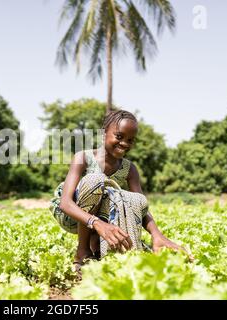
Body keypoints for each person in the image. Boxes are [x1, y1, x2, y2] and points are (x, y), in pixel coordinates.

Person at [49, 110, 192, 278]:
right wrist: (97, 223)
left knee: (135, 199)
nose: (124, 143)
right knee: (95, 180)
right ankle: (82, 252)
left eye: (130, 140)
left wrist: (157, 235)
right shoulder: (84, 157)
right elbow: (65, 203)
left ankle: (99, 250)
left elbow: (142, 207)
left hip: (102, 217)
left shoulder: (129, 169)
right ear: (103, 134)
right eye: (119, 136)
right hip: (73, 215)